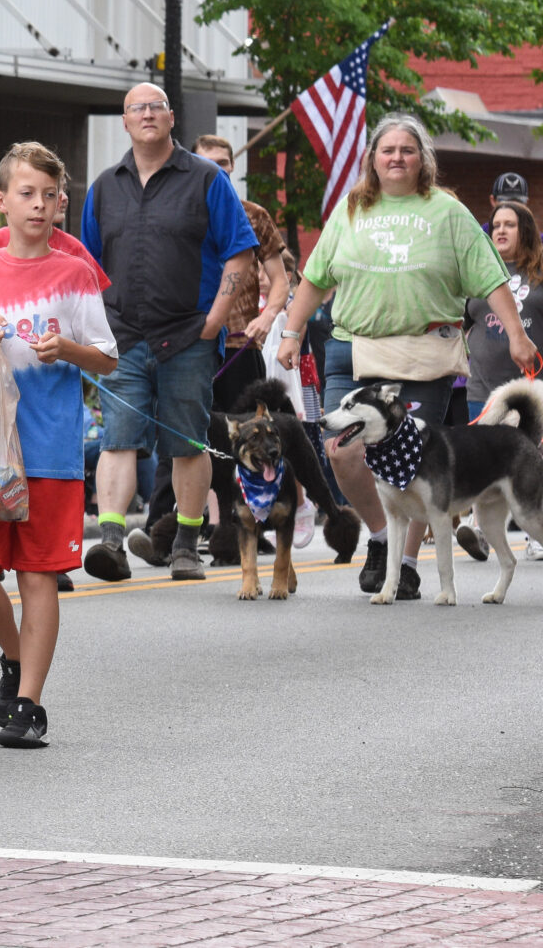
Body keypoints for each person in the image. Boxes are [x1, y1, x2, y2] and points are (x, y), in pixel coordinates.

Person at [276, 113, 539, 599]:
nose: (397, 157)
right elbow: (314, 277)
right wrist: (291, 331)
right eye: (387, 150)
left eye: (408, 150)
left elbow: (490, 277)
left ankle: (409, 565)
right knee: (342, 450)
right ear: (372, 159)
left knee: (419, 463)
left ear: (424, 160)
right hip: (353, 347)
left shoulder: (448, 211)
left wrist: (519, 337)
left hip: (424, 352)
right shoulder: (350, 208)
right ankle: (382, 537)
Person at [0, 142, 118, 748]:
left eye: (48, 196)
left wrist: (66, 349)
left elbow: (108, 358)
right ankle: (15, 660)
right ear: (0, 203)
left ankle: (29, 704)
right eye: (25, 194)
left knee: (39, 577)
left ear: (61, 204)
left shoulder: (75, 274)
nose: (37, 205)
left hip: (50, 449)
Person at [80, 84, 257, 583]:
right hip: (124, 339)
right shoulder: (103, 188)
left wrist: (214, 322)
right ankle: (111, 543)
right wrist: (95, 331)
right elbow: (88, 267)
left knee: (186, 443)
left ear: (172, 117)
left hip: (186, 337)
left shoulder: (206, 179)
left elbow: (240, 251)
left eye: (156, 106)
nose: (148, 114)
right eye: (137, 108)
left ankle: (185, 543)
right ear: (125, 121)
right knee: (117, 439)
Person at [192, 134, 291, 403]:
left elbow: (281, 281)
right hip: (190, 344)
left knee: (248, 433)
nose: (217, 169)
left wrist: (268, 315)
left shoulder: (254, 215)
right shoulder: (179, 214)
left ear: (233, 165)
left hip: (240, 344)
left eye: (223, 162)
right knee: (192, 437)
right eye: (207, 162)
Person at [466, 201, 543, 420]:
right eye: (496, 225)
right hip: (483, 392)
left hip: (533, 391)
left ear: (526, 231)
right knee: (484, 455)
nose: (500, 230)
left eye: (509, 225)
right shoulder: (475, 273)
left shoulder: (541, 271)